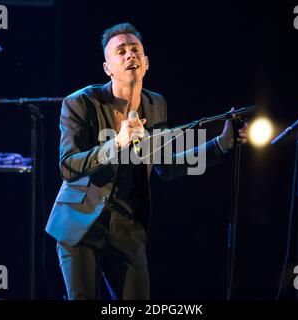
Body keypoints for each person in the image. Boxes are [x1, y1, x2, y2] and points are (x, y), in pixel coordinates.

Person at [45, 22, 248, 300]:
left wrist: (221, 144)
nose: (130, 55)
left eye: (135, 50)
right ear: (108, 68)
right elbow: (69, 166)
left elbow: (166, 165)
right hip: (81, 225)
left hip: (127, 228)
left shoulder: (156, 105)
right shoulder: (80, 103)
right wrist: (117, 142)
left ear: (147, 62)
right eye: (121, 51)